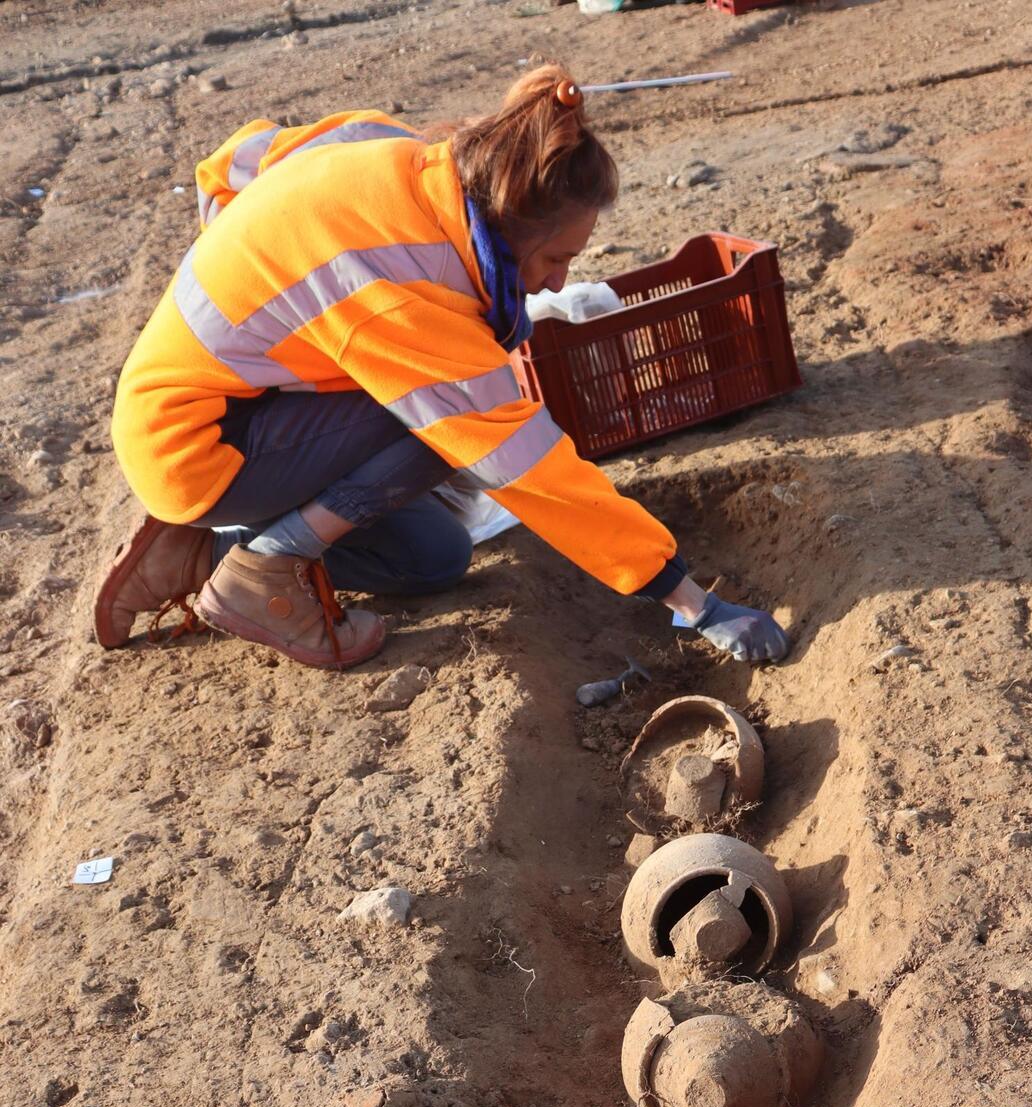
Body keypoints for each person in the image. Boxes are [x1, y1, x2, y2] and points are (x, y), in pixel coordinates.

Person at [96, 67, 789, 672]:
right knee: (441, 428)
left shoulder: (394, 152)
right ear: (510, 222)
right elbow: (525, 463)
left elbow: (235, 161)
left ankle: (193, 557)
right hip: (199, 443)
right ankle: (260, 571)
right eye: (554, 260)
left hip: (232, 415)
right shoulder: (393, 288)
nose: (554, 285)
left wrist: (262, 307)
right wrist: (692, 602)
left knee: (434, 560)